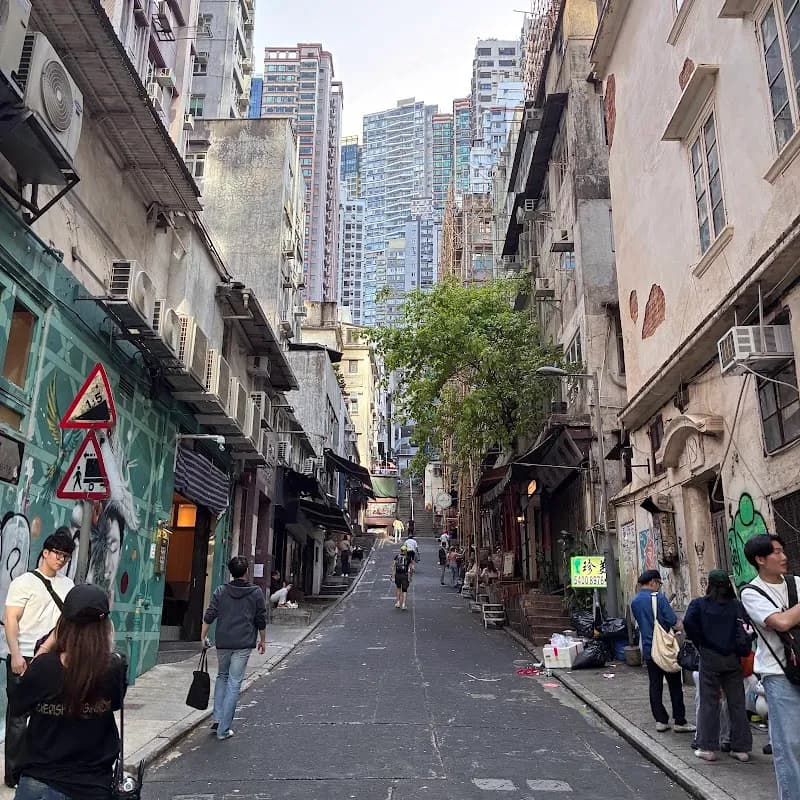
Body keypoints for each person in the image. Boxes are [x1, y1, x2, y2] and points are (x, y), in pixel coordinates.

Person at [11, 583, 126, 800]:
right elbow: (116, 703)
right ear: (105, 627)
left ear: (62, 625)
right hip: (93, 785)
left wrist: (46, 646)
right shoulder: (114, 667)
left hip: (40, 781)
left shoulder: (45, 667)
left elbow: (18, 704)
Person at [4, 529, 75, 788]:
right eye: (57, 554)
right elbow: (11, 620)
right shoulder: (23, 582)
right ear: (45, 553)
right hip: (23, 655)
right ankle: (14, 775)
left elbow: (68, 623)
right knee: (18, 718)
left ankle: (43, 770)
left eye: (65, 556)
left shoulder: (68, 585)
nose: (61, 559)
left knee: (53, 715)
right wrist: (15, 654)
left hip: (54, 659)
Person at [740, 533, 800, 798]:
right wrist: (790, 616)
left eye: (783, 551)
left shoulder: (796, 583)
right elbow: (781, 623)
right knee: (790, 745)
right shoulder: (751, 593)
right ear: (760, 559)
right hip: (779, 675)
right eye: (776, 552)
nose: (784, 557)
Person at [682, 569, 752, 762]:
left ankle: (707, 747)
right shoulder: (736, 605)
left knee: (709, 703)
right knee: (737, 703)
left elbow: (688, 623)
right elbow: (747, 629)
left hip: (709, 658)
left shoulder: (699, 604)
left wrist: (701, 642)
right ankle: (741, 748)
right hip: (732, 659)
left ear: (709, 585)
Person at [201, 556, 267, 741]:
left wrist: (202, 636)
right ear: (246, 571)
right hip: (243, 643)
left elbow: (210, 614)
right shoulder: (255, 592)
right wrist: (263, 640)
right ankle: (223, 729)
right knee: (234, 682)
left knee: (222, 676)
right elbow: (260, 619)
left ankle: (217, 719)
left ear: (230, 572)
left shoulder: (221, 591)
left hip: (223, 641)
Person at [630, 569, 695, 734]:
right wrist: (681, 628)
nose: (659, 586)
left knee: (655, 684)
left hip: (648, 649)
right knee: (675, 684)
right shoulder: (658, 597)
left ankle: (660, 720)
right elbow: (673, 621)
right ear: (653, 582)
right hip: (665, 649)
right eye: (659, 583)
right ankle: (679, 721)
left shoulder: (635, 601)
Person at [392, 545, 413, 610]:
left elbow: (393, 566)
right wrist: (410, 576)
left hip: (397, 575)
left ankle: (398, 603)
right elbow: (411, 568)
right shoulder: (408, 558)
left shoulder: (396, 556)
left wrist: (392, 575)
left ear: (401, 550)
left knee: (398, 588)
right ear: (406, 551)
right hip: (404, 575)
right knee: (404, 590)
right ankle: (403, 604)